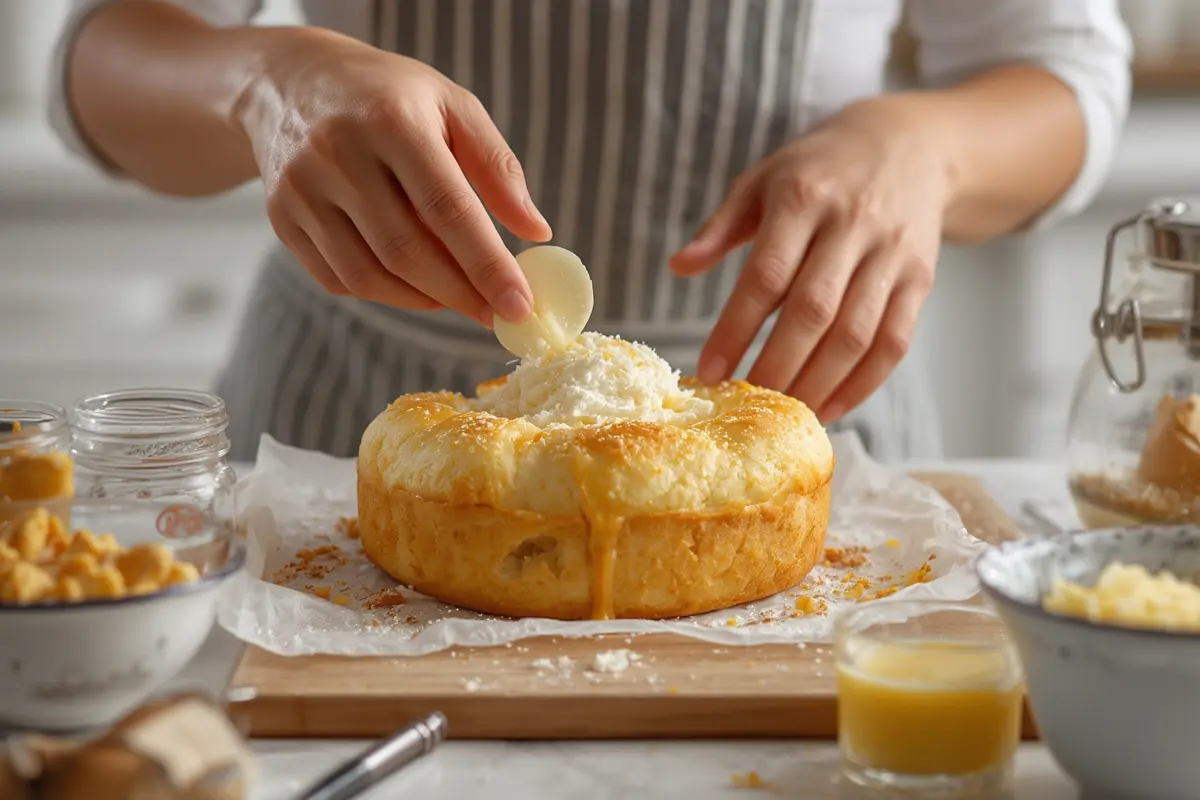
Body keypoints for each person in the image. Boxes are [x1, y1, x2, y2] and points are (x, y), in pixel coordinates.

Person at [49, 0, 1131, 462]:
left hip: (790, 422)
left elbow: (1066, 68)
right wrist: (261, 79)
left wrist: (926, 149)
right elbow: (94, 52)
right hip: (349, 431)